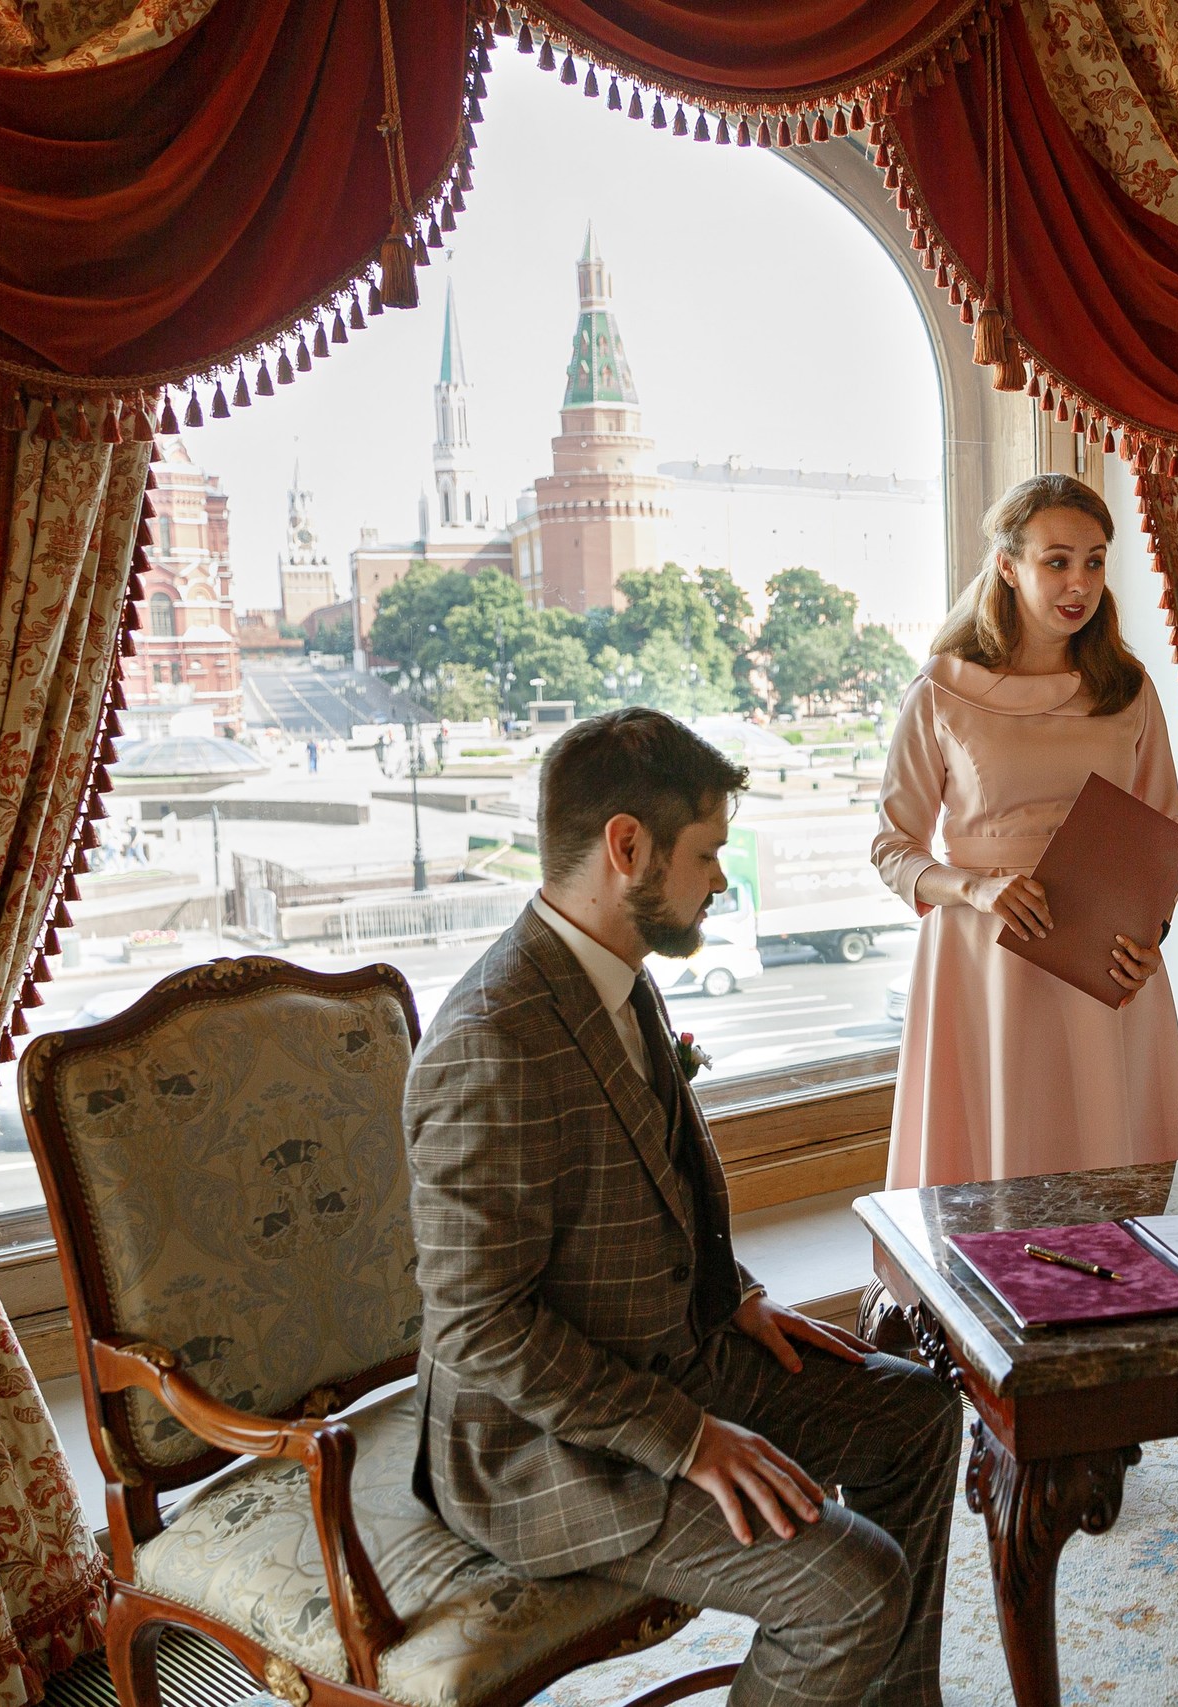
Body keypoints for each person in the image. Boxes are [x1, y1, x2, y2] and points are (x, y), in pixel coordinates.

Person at [407, 707, 960, 1707]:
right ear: (627, 846)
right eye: (706, 853)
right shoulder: (492, 1041)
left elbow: (657, 1183)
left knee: (915, 1413)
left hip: (681, 1353)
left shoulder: (619, 973)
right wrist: (688, 1439)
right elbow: (476, 1324)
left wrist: (734, 1292)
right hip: (543, 1452)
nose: (720, 879)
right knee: (850, 1585)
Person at [873, 473, 1178, 1188]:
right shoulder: (942, 690)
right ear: (1008, 566)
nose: (1079, 582)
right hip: (981, 967)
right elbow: (893, 847)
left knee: (1114, 1189)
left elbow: (1163, 832)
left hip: (1102, 964)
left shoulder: (1128, 690)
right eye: (1057, 560)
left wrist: (1153, 939)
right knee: (994, 1183)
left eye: (1094, 559)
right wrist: (977, 887)